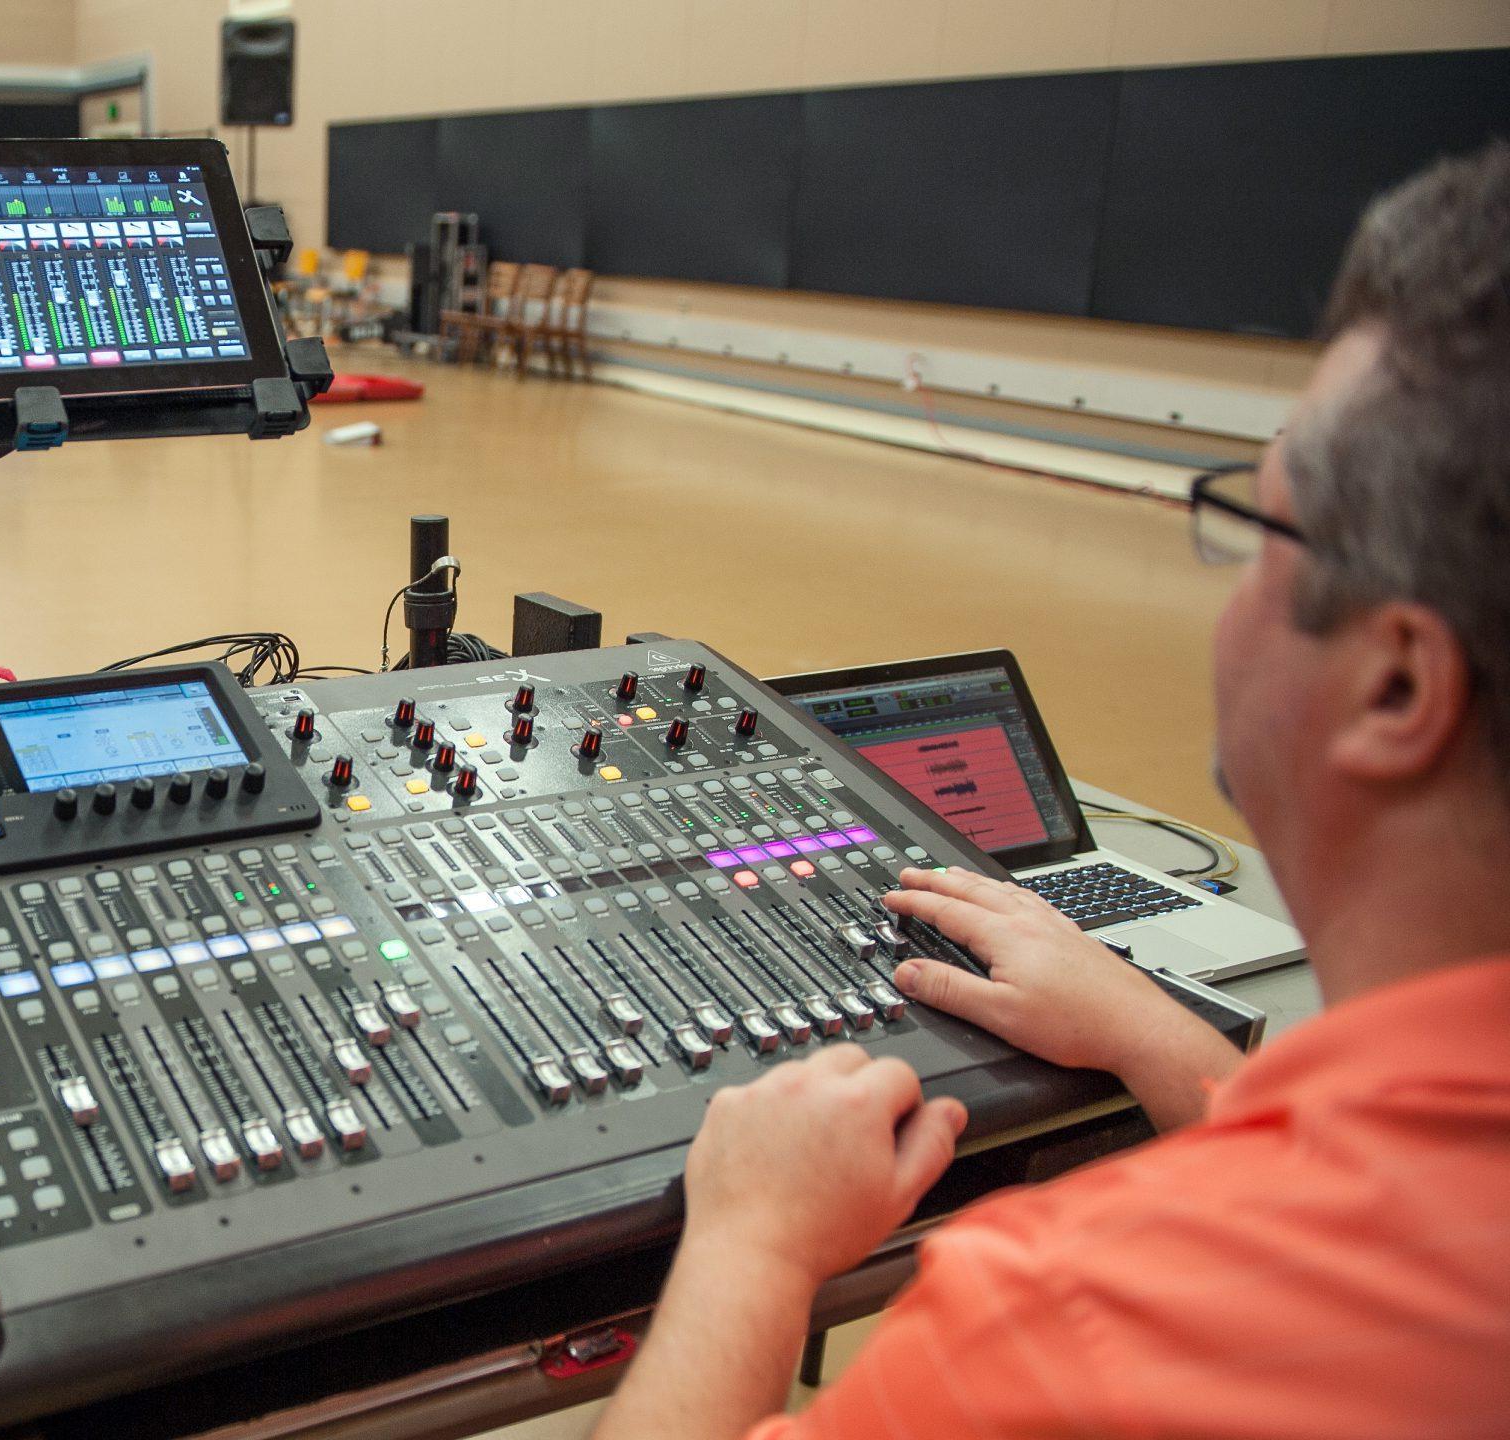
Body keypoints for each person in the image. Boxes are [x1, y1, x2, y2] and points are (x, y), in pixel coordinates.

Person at [590, 142, 1510, 1440]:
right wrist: (1149, 1027)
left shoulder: (1076, 1323)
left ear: (1398, 688)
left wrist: (750, 1244)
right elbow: (1391, 1182)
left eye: (1267, 519)